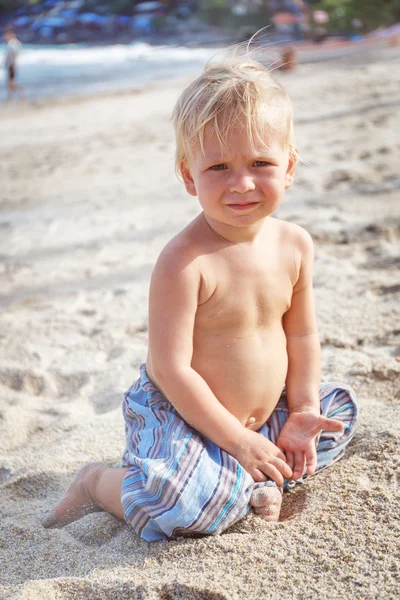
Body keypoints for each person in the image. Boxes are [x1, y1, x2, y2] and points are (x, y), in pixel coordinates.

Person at [42, 55, 359, 542]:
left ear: (289, 166)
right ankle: (101, 483)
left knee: (336, 414)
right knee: (186, 509)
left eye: (260, 163)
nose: (242, 183)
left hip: (263, 417)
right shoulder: (184, 261)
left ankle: (245, 478)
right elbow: (171, 370)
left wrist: (299, 411)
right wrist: (237, 441)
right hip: (183, 418)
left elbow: (302, 334)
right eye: (218, 167)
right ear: (189, 175)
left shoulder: (295, 243)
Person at [4, 28, 23, 100]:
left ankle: (21, 93)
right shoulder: (12, 43)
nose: (5, 37)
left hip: (12, 65)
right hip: (10, 65)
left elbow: (15, 54)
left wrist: (14, 65)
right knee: (10, 82)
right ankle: (10, 96)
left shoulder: (13, 43)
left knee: (11, 82)